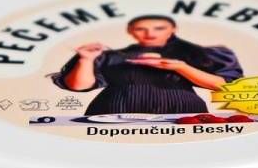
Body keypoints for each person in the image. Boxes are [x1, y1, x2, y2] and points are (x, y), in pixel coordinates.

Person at [52, 14, 243, 115]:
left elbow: (226, 86)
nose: (150, 34)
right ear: (130, 30)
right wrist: (86, 59)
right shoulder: (109, 56)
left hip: (184, 114)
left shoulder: (199, 53)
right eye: (140, 29)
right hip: (111, 114)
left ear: (173, 29)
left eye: (159, 28)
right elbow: (78, 86)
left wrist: (180, 67)